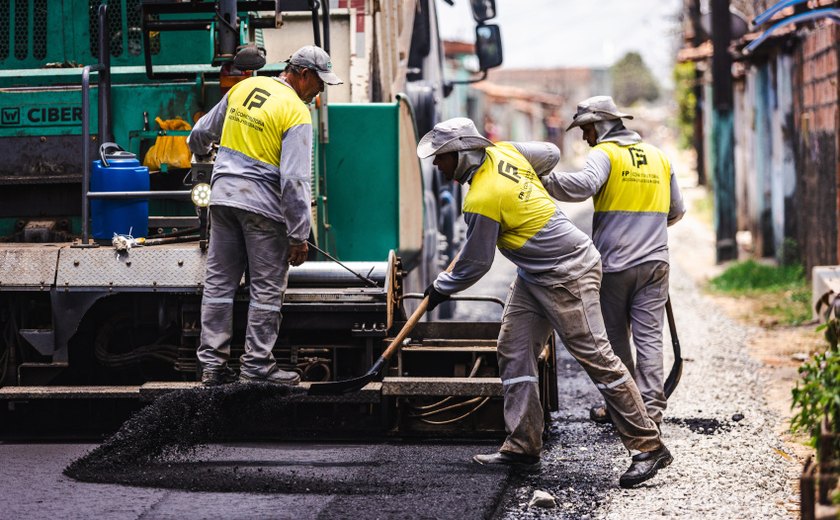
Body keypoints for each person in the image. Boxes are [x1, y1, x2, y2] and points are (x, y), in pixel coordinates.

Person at [417, 117, 673, 488]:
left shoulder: (482, 198)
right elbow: (551, 152)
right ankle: (523, 444)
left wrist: (440, 288)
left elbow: (475, 264)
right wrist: (528, 182)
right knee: (514, 348)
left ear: (462, 153)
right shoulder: (508, 151)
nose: (437, 165)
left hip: (568, 271)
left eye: (441, 157)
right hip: (534, 273)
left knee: (598, 358)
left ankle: (648, 446)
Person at [188, 46, 342, 387]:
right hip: (263, 210)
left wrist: (202, 155)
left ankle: (212, 366)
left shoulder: (244, 88)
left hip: (223, 201)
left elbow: (199, 135)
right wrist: (299, 236)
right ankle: (257, 365)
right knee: (266, 290)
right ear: (303, 74)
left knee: (219, 285)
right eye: (320, 83)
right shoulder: (296, 112)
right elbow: (294, 180)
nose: (319, 91)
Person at [537, 96, 685, 428]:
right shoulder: (659, 156)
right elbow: (676, 211)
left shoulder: (605, 153)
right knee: (649, 338)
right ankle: (651, 412)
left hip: (616, 265)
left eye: (587, 129)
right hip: (655, 263)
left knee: (616, 340)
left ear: (600, 125)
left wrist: (542, 180)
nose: (585, 136)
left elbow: (583, 186)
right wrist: (648, 230)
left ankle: (624, 408)